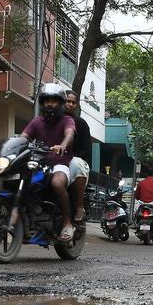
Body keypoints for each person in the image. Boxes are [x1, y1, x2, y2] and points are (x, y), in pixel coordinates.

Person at [21, 83, 77, 241]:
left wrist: (63, 146)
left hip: (60, 163)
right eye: (46, 101)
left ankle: (67, 223)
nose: (49, 104)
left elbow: (69, 134)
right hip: (40, 163)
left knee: (58, 183)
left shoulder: (67, 120)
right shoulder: (37, 122)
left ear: (60, 103)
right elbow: (23, 137)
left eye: (53, 101)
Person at [64, 90, 92, 227]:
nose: (69, 104)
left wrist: (68, 155)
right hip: (56, 162)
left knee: (75, 163)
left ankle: (79, 206)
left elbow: (86, 151)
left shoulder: (81, 123)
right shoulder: (50, 121)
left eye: (73, 102)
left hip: (76, 163)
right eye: (67, 101)